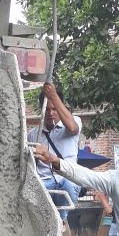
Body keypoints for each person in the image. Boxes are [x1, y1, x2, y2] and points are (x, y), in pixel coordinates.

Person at [28, 80, 83, 219]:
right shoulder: (34, 134)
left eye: (54, 109)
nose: (51, 113)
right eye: (47, 110)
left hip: (67, 179)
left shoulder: (73, 122)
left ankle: (62, 221)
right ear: (41, 109)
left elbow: (72, 128)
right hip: (45, 182)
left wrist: (53, 96)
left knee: (69, 182)